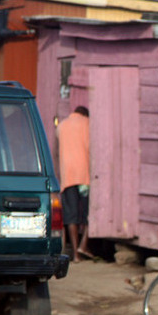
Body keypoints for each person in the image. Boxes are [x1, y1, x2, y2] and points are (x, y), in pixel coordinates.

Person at [55, 105, 94, 263]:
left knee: (71, 215)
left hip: (68, 176)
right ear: (85, 115)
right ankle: (83, 244)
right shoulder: (88, 123)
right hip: (85, 177)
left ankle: (76, 256)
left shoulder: (62, 126)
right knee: (89, 213)